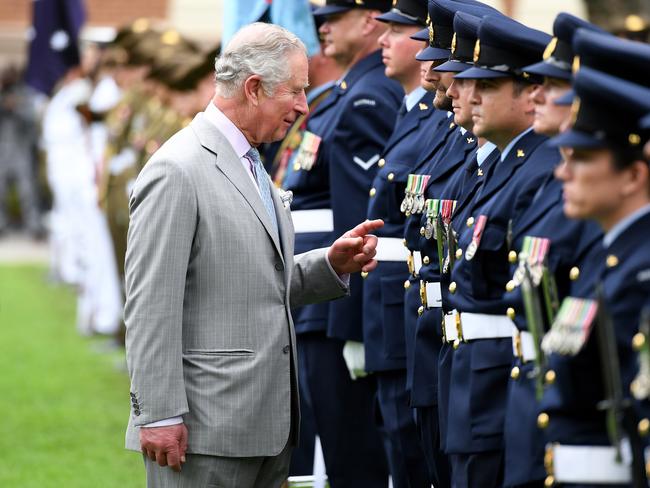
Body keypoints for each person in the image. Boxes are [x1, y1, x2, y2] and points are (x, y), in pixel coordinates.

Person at [123, 23, 384, 488]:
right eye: (295, 91)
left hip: (265, 428)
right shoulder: (177, 169)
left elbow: (250, 282)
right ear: (253, 88)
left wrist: (328, 265)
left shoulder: (249, 159)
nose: (304, 106)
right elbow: (149, 305)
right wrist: (158, 413)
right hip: (205, 434)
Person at [282, 0, 401, 485]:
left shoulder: (369, 97)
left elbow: (362, 221)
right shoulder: (346, 93)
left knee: (352, 453)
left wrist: (353, 323)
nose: (322, 27)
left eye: (333, 17)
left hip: (335, 302)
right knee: (337, 444)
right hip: (319, 295)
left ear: (369, 19)